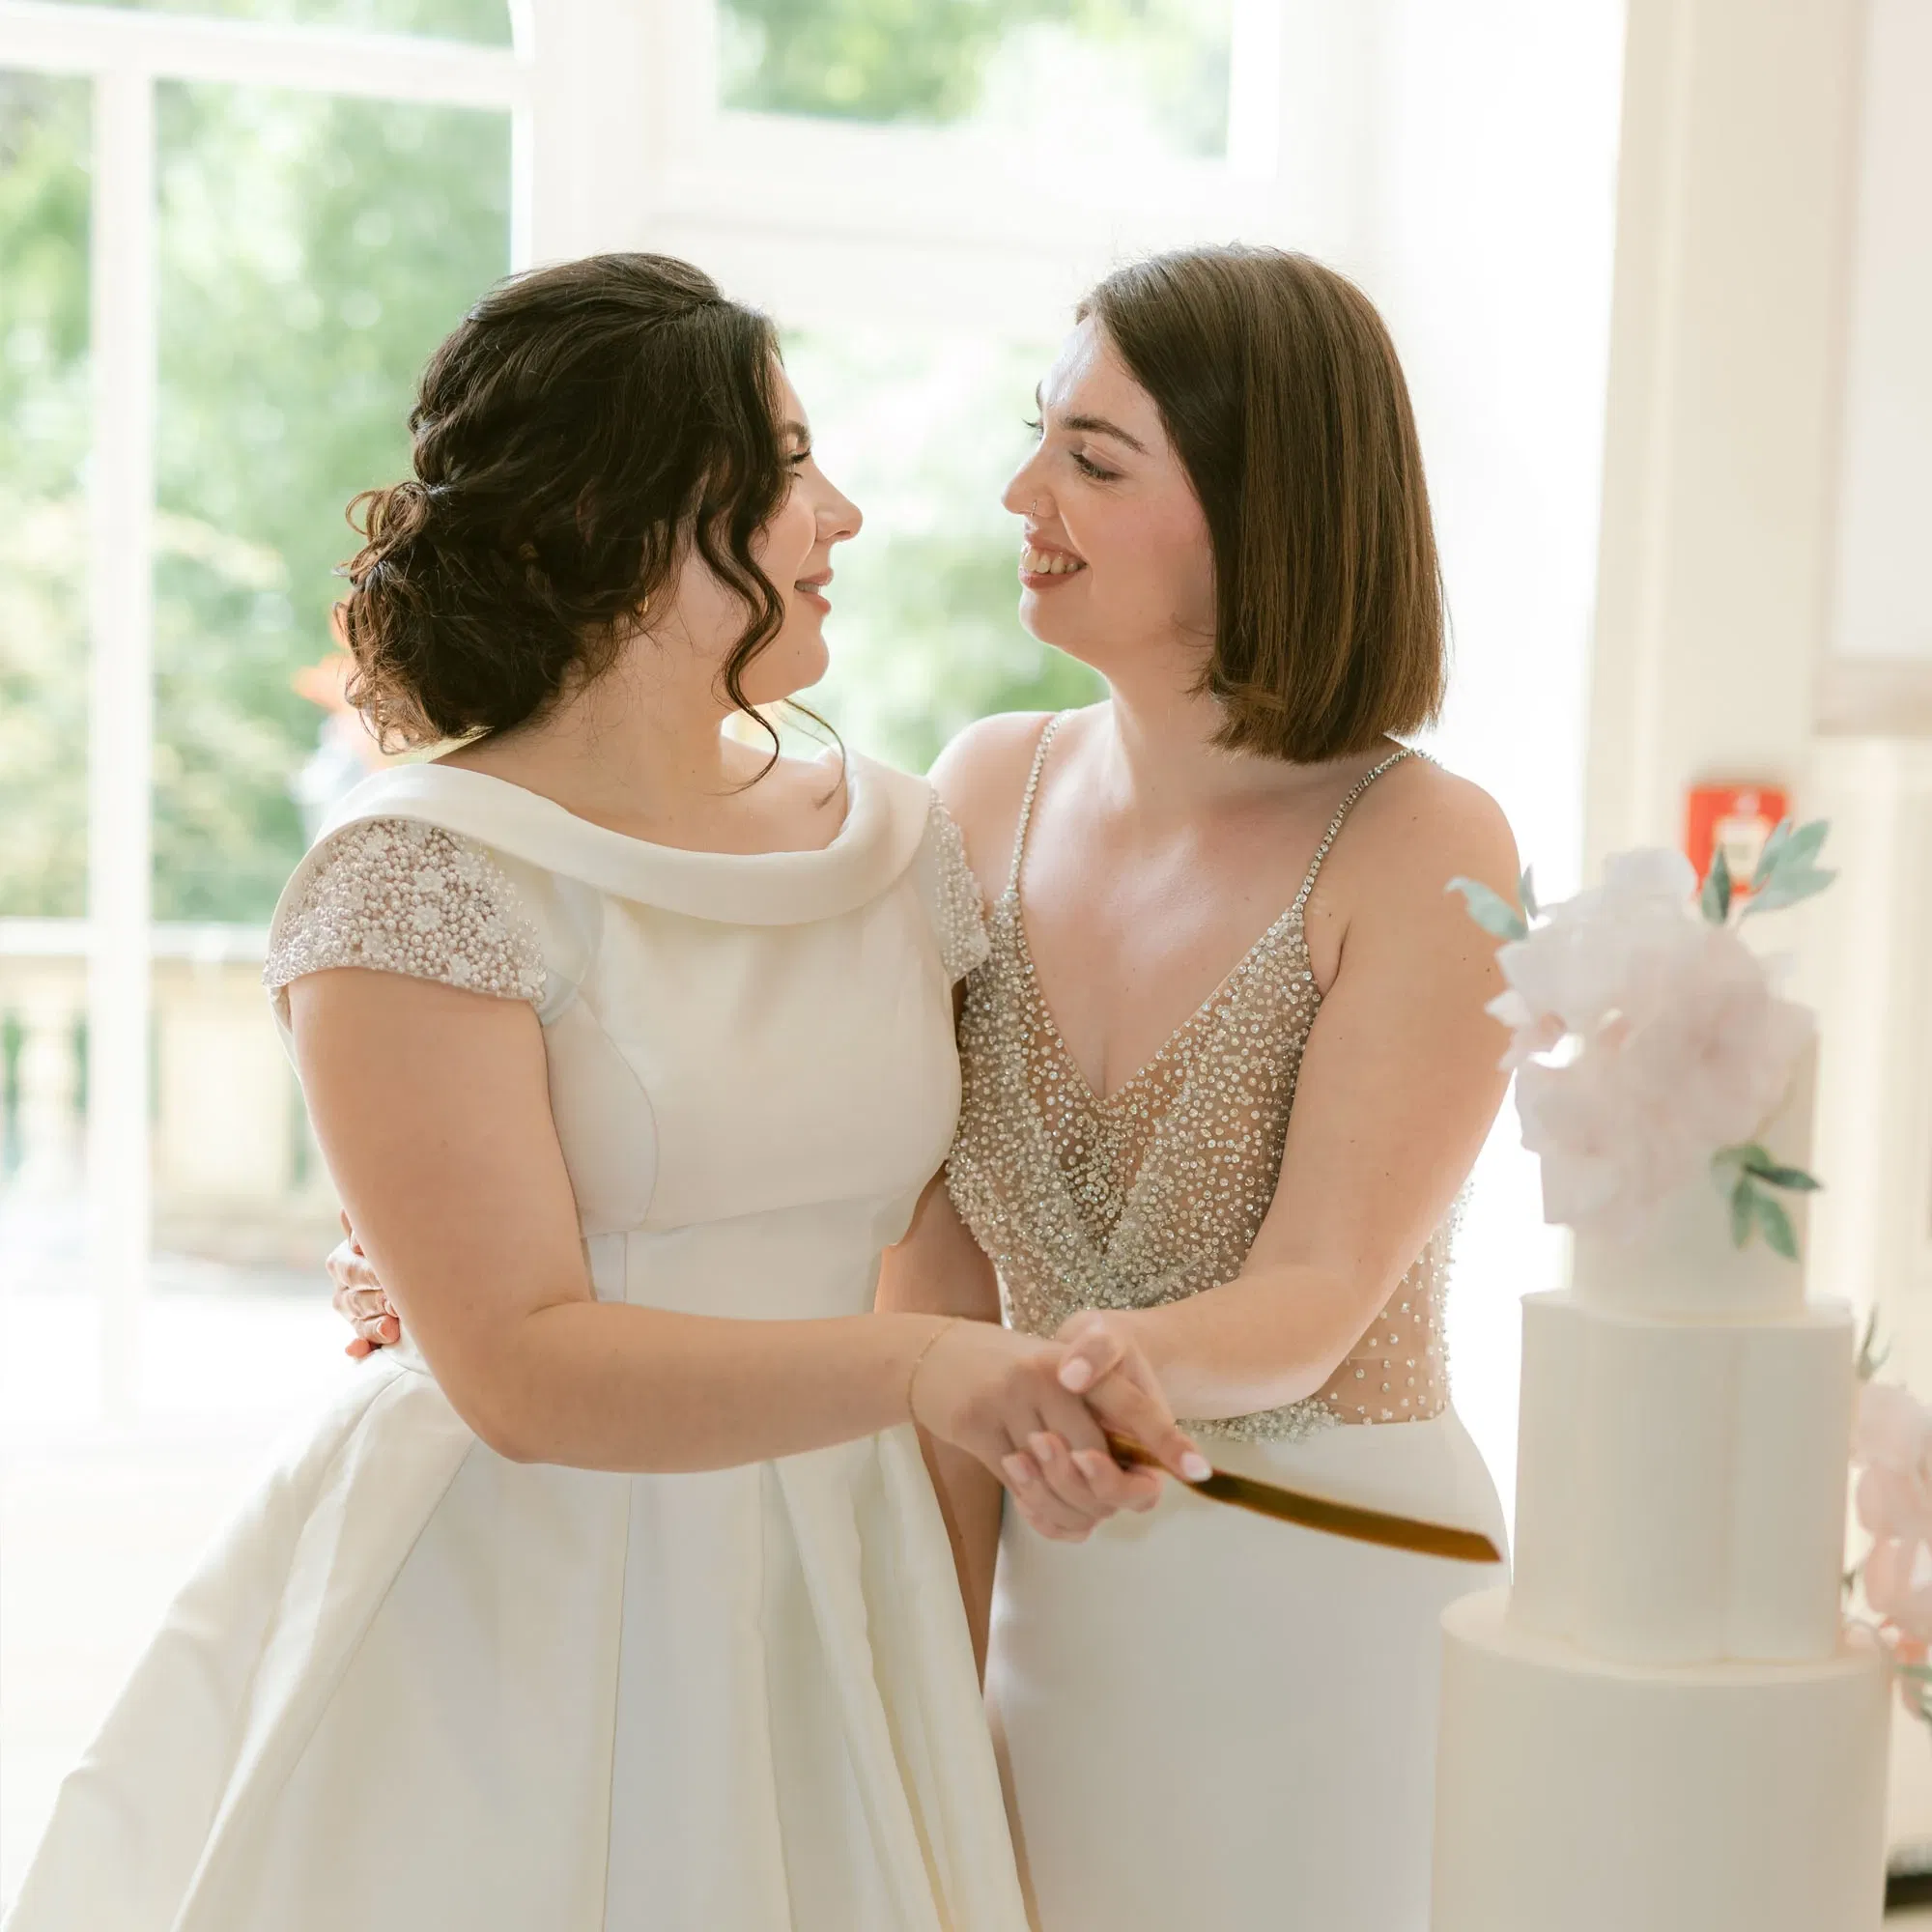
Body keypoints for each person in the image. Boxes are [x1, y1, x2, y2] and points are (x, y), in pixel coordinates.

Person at [2, 253, 1201, 1932]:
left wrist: (947, 1643)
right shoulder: (416, 876)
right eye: (787, 467)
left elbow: (936, 1263)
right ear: (615, 522)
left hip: (835, 1584)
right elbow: (519, 1368)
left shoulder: (897, 841)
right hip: (517, 1601)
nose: (842, 515)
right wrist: (922, 1375)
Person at [330, 246, 1521, 1929]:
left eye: (1094, 458)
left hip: (1326, 1579)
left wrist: (1060, 1376)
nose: (1022, 493)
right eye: (1041, 437)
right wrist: (927, 1674)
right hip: (1045, 1572)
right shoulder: (978, 791)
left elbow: (1320, 1292)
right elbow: (915, 1251)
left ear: (1270, 511)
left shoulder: (1426, 841)